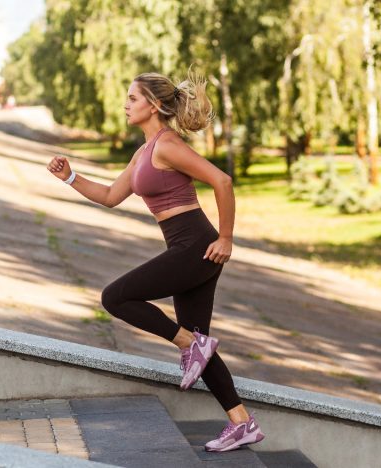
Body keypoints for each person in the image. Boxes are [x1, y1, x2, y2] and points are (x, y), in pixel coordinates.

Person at [47, 69, 265, 452]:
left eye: (132, 98)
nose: (125, 105)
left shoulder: (167, 145)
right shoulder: (144, 152)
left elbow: (223, 181)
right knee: (201, 344)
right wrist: (70, 177)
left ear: (154, 105)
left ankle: (189, 344)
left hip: (196, 246)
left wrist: (226, 237)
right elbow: (112, 195)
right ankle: (242, 422)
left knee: (115, 297)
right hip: (186, 248)